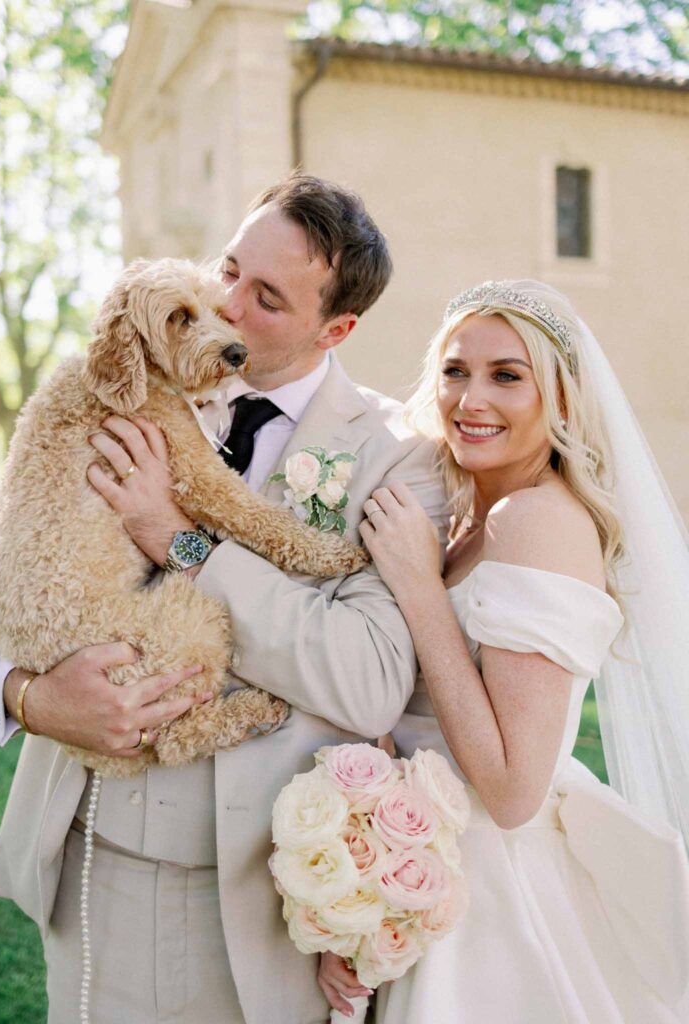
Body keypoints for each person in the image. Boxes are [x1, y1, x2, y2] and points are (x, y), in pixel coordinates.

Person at [0, 174, 448, 1024]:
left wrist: (176, 537)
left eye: (265, 297)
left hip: (254, 901)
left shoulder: (393, 457)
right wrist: (28, 695)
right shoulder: (122, 381)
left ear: (336, 329)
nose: (222, 304)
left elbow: (365, 677)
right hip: (86, 859)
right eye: (226, 269)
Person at [319, 279, 689, 1022]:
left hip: (496, 903)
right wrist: (360, 896)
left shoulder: (538, 520)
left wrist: (422, 592)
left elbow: (514, 792)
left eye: (507, 376)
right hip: (426, 874)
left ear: (559, 400)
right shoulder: (465, 519)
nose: (470, 399)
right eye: (455, 370)